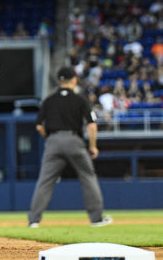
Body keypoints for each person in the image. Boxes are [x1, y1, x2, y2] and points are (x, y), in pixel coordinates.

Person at [28, 66, 112, 228]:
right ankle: (96, 219)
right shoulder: (80, 99)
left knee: (45, 181)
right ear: (73, 80)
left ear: (59, 81)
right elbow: (92, 125)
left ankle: (34, 220)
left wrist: (50, 138)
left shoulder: (49, 100)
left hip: (53, 142)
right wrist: (93, 147)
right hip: (74, 141)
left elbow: (39, 126)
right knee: (88, 177)